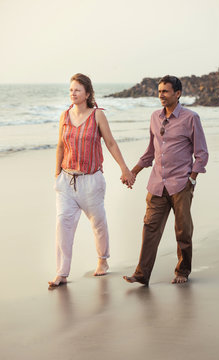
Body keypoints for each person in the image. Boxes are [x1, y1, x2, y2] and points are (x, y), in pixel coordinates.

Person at [48, 73, 135, 288]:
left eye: (77, 90)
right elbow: (60, 146)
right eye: (71, 90)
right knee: (63, 224)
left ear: (87, 93)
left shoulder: (97, 116)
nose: (73, 93)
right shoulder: (64, 116)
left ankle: (102, 260)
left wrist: (125, 169)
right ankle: (61, 273)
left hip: (92, 181)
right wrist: (56, 174)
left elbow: (111, 143)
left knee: (98, 223)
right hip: (67, 181)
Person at [123, 75, 208, 286]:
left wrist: (192, 180)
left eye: (165, 91)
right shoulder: (154, 117)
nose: (161, 95)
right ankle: (141, 275)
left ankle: (183, 271)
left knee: (183, 230)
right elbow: (150, 152)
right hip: (157, 184)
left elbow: (202, 153)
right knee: (149, 228)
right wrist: (133, 172)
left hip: (181, 184)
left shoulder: (191, 118)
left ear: (177, 94)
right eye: (159, 91)